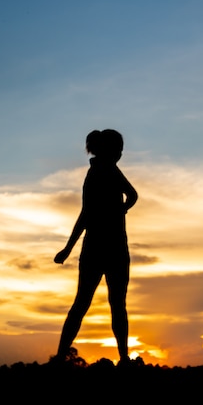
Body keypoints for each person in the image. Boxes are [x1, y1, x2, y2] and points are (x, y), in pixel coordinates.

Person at [52, 129, 138, 364]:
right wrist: (68, 248)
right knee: (113, 304)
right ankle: (122, 358)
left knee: (84, 303)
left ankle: (62, 357)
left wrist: (68, 248)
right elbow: (129, 196)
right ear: (110, 151)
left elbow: (88, 214)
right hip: (111, 248)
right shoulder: (107, 169)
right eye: (118, 149)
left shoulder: (99, 171)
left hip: (101, 248)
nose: (120, 153)